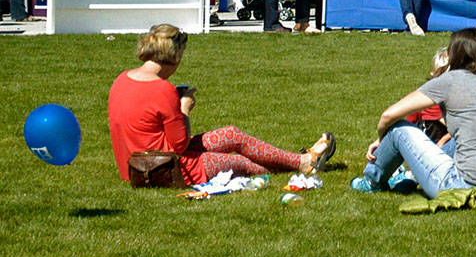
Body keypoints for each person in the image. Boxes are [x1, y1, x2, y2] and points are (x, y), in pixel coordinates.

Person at [108, 24, 334, 184]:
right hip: (164, 168)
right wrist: (184, 108)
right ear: (174, 56)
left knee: (232, 135)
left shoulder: (121, 79)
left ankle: (303, 161)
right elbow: (179, 146)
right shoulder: (162, 88)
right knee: (240, 162)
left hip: (134, 166)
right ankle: (303, 163)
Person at [350, 28, 476, 197]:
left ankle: (372, 182)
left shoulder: (449, 80)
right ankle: (412, 176)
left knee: (398, 129)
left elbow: (388, 115)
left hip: (465, 185)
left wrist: (381, 140)